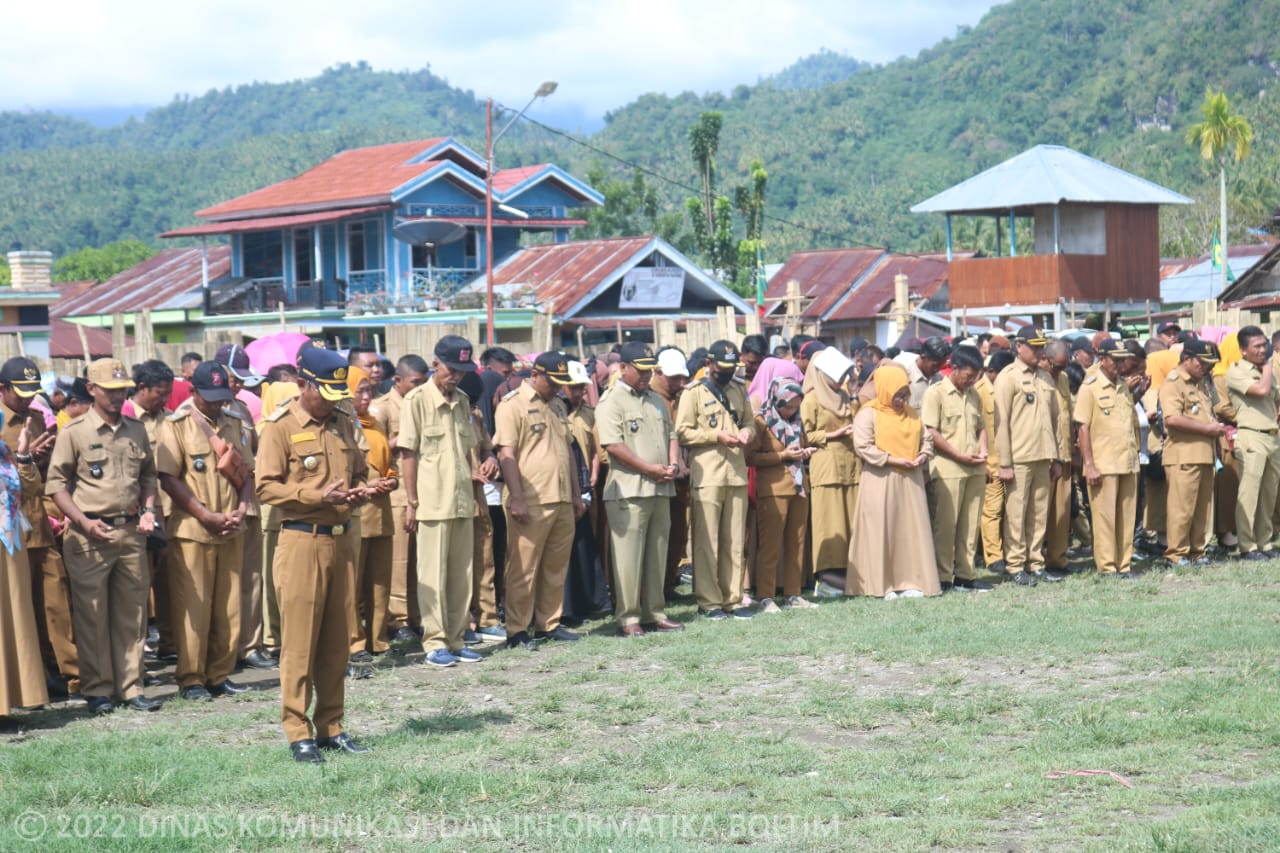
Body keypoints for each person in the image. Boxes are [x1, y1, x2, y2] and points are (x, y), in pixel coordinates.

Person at [256, 343, 371, 762]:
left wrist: (365, 488)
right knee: (300, 643)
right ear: (302, 383)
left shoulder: (343, 421)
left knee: (337, 643)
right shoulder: (279, 427)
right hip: (302, 540)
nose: (332, 401)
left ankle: (331, 726)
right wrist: (312, 493)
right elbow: (265, 487)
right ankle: (296, 730)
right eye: (324, 391)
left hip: (341, 539)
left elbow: (359, 469)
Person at [46, 358, 162, 714]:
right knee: (92, 615)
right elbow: (55, 484)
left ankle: (131, 687)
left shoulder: (136, 430)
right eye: (109, 390)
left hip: (130, 533)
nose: (117, 396)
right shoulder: (74, 431)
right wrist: (81, 520)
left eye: (121, 389)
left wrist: (149, 511)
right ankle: (98, 690)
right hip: (88, 535)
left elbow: (148, 476)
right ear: (92, 390)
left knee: (132, 615)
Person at [156, 361, 256, 701]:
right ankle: (192, 679)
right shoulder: (177, 426)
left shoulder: (234, 422)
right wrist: (204, 514)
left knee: (229, 608)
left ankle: (219, 674)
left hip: (231, 528)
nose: (216, 404)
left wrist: (241, 509)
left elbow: (247, 472)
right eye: (209, 397)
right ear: (193, 391)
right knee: (194, 610)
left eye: (221, 398)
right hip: (193, 531)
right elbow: (168, 478)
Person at [399, 337, 487, 667]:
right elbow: (407, 453)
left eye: (462, 372)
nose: (456, 377)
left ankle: (456, 637)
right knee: (432, 575)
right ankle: (435, 641)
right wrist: (411, 501)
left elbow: (469, 448)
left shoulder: (463, 401)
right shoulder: (416, 401)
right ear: (435, 364)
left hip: (462, 497)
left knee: (461, 575)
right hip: (432, 500)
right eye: (452, 370)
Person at [494, 352, 585, 648]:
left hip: (560, 498)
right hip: (530, 501)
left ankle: (549, 623)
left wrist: (575, 494)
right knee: (523, 568)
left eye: (561, 383)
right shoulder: (512, 405)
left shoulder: (558, 404)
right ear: (535, 374)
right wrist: (517, 498)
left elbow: (567, 453)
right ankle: (517, 629)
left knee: (555, 567)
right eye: (553, 382)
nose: (558, 388)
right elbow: (506, 455)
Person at [596, 342, 684, 635]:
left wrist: (672, 463)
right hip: (629, 490)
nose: (646, 376)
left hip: (660, 488)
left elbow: (671, 434)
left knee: (656, 555)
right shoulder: (612, 401)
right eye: (640, 370)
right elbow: (612, 445)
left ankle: (654, 612)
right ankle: (629, 618)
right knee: (628, 559)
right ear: (623, 368)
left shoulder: (656, 400)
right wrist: (649, 469)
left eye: (650, 370)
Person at [0, 358, 76, 698]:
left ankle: (71, 674)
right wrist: (24, 456)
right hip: (10, 529)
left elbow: (50, 476)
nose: (28, 401)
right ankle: (31, 678)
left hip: (41, 521)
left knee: (55, 601)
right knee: (20, 608)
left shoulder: (36, 417)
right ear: (2, 390)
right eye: (20, 394)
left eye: (32, 393)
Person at [676, 340, 756, 620]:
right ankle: (709, 602)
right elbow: (683, 432)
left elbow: (749, 422)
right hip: (708, 474)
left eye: (730, 368)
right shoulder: (694, 393)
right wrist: (714, 436)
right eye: (721, 368)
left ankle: (732, 599)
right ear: (709, 365)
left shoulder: (738, 389)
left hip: (735, 472)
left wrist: (746, 434)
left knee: (734, 541)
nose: (725, 372)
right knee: (707, 540)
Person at [847, 365, 940, 598]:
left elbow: (926, 439)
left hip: (910, 479)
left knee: (910, 531)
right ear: (884, 390)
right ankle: (881, 584)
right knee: (882, 530)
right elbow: (863, 446)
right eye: (897, 395)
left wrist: (922, 455)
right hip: (882, 479)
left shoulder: (911, 414)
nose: (901, 400)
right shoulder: (868, 413)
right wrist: (891, 459)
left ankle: (911, 581)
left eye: (904, 395)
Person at [993, 326, 1064, 586]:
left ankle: (1036, 563)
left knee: (1038, 513)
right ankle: (1015, 565)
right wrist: (1004, 462)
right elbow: (1000, 424)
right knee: (1016, 513)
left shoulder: (1045, 377)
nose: (1038, 351)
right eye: (1033, 346)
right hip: (1019, 458)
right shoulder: (1007, 377)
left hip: (1043, 456)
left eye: (1041, 346)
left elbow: (1056, 420)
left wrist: (1057, 458)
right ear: (1018, 346)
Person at [369, 354, 429, 646]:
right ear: (398, 381)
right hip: (396, 493)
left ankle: (416, 616)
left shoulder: (423, 402)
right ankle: (398, 619)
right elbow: (375, 449)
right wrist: (406, 436)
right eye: (415, 383)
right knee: (399, 560)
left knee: (418, 561)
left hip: (422, 490)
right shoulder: (381, 408)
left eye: (424, 382)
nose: (420, 387)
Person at [921, 346, 991, 591]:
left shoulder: (974, 394)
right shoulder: (935, 393)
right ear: (955, 368)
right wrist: (959, 455)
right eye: (968, 375)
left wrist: (983, 452)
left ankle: (966, 575)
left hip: (974, 469)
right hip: (948, 468)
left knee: (970, 526)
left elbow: (980, 426)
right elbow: (931, 431)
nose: (971, 380)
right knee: (946, 527)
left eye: (975, 376)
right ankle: (943, 577)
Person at [123, 359, 177, 664]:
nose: (163, 399)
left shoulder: (170, 419)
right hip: (141, 513)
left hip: (170, 510)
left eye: (166, 393)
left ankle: (169, 642)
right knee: (139, 581)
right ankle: (138, 646)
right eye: (158, 392)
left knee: (168, 582)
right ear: (141, 388)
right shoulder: (127, 417)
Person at [745, 378, 816, 610]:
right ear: (777, 399)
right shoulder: (761, 422)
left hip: (798, 488)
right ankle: (766, 596)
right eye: (788, 406)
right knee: (770, 544)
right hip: (773, 490)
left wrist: (804, 452)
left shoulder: (796, 422)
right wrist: (782, 456)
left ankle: (792, 595)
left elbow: (799, 447)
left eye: (796, 406)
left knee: (796, 543)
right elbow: (750, 457)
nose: (792, 411)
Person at [344, 367, 398, 661]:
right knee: (353, 581)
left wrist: (392, 478)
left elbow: (388, 464)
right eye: (359, 391)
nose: (366, 397)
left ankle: (379, 640)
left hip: (382, 510)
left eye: (368, 390)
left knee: (380, 581)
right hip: (357, 513)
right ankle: (354, 642)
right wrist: (366, 485)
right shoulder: (343, 425)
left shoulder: (375, 425)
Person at [1074, 339, 1140, 577]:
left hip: (1127, 462)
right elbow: (1083, 428)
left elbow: (1130, 422)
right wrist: (1089, 465)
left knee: (1126, 518)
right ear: (1101, 359)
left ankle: (1124, 565)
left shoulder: (1123, 386)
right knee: (1105, 519)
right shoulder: (1089, 387)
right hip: (1103, 465)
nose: (1121, 365)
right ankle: (1108, 567)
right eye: (1116, 360)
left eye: (1123, 360)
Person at [0, 418, 48, 731]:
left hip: (10, 545)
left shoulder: (4, 453)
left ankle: (6, 703)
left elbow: (32, 488)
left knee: (11, 620)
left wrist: (23, 454)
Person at [1159, 340, 1225, 566]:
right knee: (1182, 509)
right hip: (1183, 456)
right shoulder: (1174, 382)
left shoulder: (1202, 384)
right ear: (1186, 359)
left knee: (1202, 509)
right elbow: (1172, 418)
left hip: (1204, 454)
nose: (1205, 367)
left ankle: (1197, 552)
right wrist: (1208, 429)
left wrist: (1214, 440)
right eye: (1201, 362)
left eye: (1208, 364)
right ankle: (1176, 554)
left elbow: (1209, 415)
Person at [800, 347, 858, 593]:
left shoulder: (845, 397)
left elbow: (855, 419)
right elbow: (805, 435)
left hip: (851, 466)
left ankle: (850, 571)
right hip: (825, 466)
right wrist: (833, 434)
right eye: (836, 377)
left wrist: (854, 397)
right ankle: (827, 577)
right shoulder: (811, 399)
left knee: (850, 522)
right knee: (830, 522)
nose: (840, 382)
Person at [1224, 326, 1279, 559]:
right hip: (1250, 435)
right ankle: (1247, 545)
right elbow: (1261, 390)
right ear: (1243, 350)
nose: (1262, 349)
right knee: (1249, 493)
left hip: (1271, 435)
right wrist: (1268, 366)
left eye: (1263, 344)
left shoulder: (1266, 370)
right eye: (1256, 346)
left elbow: (1275, 398)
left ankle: (1265, 542)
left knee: (1269, 493)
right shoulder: (1236, 371)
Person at [652, 348, 693, 601]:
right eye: (674, 377)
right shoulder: (651, 400)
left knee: (676, 537)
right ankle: (654, 591)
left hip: (680, 482)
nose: (681, 382)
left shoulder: (679, 399)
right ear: (658, 373)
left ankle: (667, 586)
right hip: (659, 478)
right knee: (658, 540)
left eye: (682, 377)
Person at [977, 350, 1013, 573]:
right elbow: (975, 429)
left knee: (1010, 511)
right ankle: (993, 557)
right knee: (992, 511)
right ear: (992, 372)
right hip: (989, 462)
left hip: (1010, 460)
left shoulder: (1007, 389)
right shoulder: (979, 392)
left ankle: (1010, 552)